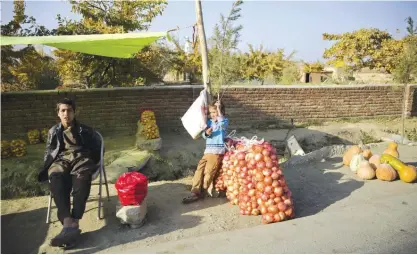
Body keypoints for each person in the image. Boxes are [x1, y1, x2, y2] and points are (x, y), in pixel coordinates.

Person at [38, 98, 101, 247]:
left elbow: (97, 150)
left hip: (81, 158)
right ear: (58, 114)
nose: (66, 114)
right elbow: (49, 152)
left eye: (69, 110)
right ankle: (68, 223)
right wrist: (48, 165)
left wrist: (93, 162)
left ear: (74, 112)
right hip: (61, 160)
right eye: (63, 111)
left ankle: (75, 221)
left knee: (81, 179)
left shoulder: (85, 130)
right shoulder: (53, 131)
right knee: (55, 176)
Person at [182, 100, 228, 204]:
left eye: (215, 112)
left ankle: (202, 191)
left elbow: (221, 123)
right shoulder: (208, 123)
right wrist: (207, 133)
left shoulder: (224, 121)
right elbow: (204, 135)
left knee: (209, 172)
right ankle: (195, 190)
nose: (212, 115)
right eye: (211, 113)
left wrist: (219, 109)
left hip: (216, 152)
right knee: (199, 169)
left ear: (221, 112)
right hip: (207, 151)